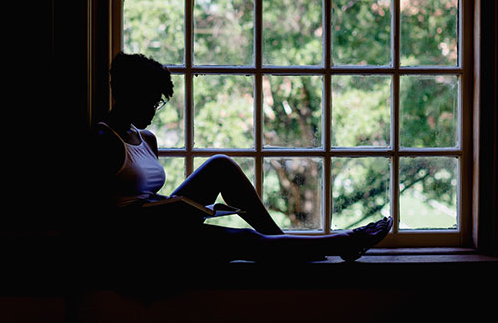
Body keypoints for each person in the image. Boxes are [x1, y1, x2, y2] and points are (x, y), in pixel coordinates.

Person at [90, 52, 392, 266]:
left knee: (220, 165)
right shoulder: (103, 140)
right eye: (150, 101)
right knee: (244, 241)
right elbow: (97, 214)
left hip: (159, 224)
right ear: (126, 94)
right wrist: (154, 212)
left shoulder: (147, 139)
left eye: (158, 102)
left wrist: (174, 207)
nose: (154, 110)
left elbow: (145, 194)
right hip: (134, 242)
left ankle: (283, 241)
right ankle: (343, 242)